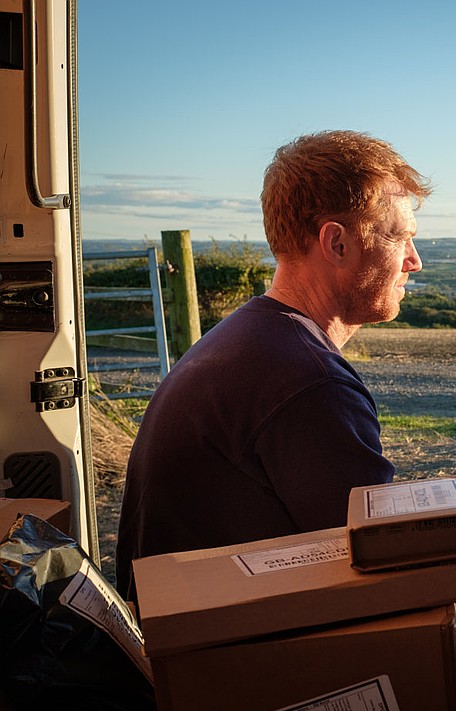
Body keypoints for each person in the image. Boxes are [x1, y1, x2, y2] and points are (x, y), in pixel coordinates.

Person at [115, 130, 431, 600]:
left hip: (186, 634)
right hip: (230, 658)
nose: (414, 261)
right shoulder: (308, 382)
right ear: (337, 243)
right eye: (400, 236)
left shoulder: (249, 338)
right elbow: (390, 572)